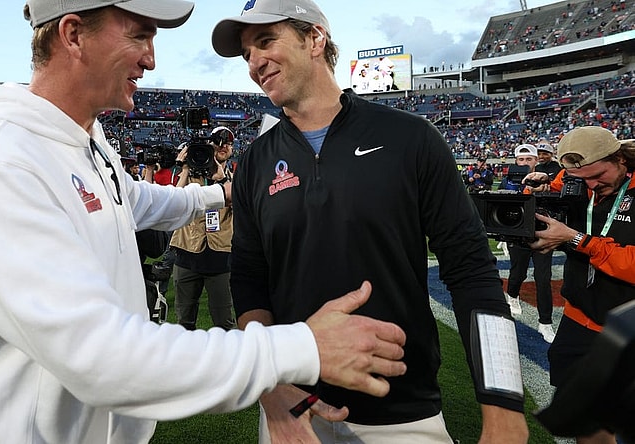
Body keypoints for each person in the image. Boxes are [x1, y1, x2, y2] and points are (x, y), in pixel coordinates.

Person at [0, 1, 409, 442]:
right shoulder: (0, 163)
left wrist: (222, 193)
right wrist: (302, 348)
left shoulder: (83, 140)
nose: (151, 59)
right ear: (74, 34)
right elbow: (101, 356)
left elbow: (135, 199)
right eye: (139, 35)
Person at [212, 0, 528, 442]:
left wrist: (503, 405)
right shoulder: (254, 162)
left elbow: (471, 270)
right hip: (293, 407)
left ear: (315, 39)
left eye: (266, 41)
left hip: (401, 413)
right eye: (247, 53)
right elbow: (249, 280)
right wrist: (272, 388)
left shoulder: (410, 138)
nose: (254, 63)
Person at [526, 125, 635, 444]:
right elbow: (542, 206)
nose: (591, 185)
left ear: (620, 160)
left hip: (629, 328)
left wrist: (577, 240)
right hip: (578, 319)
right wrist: (538, 187)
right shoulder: (576, 178)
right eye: (582, 178)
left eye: (598, 175)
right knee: (586, 425)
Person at [170, 126, 237, 330]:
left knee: (224, 323)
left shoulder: (235, 177)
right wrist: (184, 169)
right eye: (218, 142)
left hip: (221, 257)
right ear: (208, 145)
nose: (223, 146)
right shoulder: (189, 177)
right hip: (187, 253)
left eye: (228, 143)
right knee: (184, 323)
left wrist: (223, 180)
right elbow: (174, 205)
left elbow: (243, 208)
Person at [499, 143, 556, 342]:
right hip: (518, 234)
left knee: (543, 278)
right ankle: (513, 296)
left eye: (529, 159)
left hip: (542, 233)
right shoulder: (508, 181)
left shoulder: (546, 179)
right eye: (521, 159)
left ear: (535, 161)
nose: (524, 163)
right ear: (516, 161)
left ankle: (545, 323)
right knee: (518, 273)